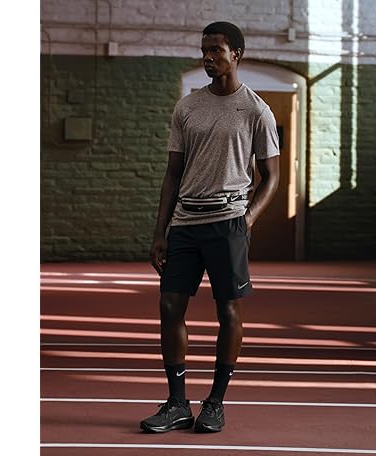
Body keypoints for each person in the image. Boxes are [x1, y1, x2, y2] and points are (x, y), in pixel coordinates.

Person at [140, 21, 280, 433]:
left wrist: (248, 218)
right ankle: (177, 403)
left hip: (227, 224)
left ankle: (215, 402)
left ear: (236, 54)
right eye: (204, 50)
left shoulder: (256, 110)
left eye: (216, 50)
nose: (208, 57)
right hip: (185, 223)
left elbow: (271, 177)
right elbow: (172, 173)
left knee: (228, 312)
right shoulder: (187, 107)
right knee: (169, 307)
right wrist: (160, 231)